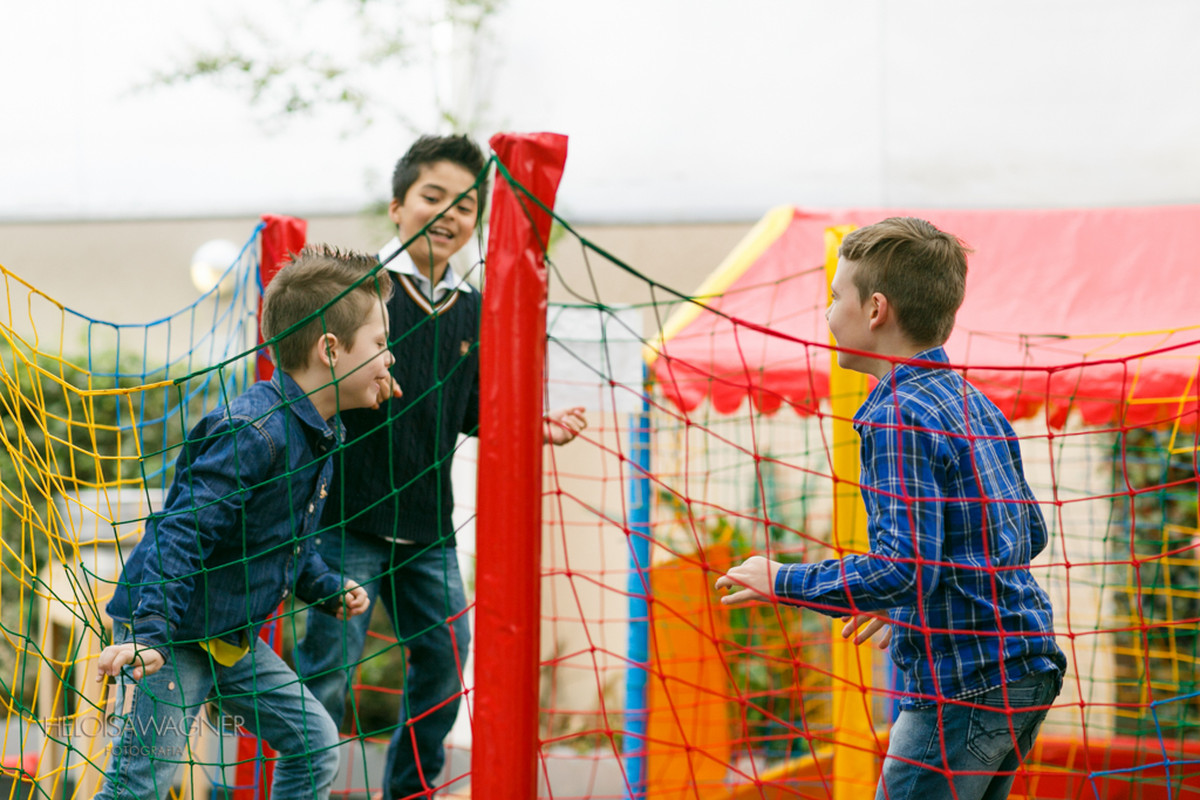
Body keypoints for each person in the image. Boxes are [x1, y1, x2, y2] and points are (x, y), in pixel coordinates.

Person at [716, 217, 1066, 800]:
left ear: (876, 309)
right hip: (1026, 666)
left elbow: (904, 569)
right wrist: (913, 599)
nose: (829, 315)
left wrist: (781, 580)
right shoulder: (971, 400)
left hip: (963, 685)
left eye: (835, 297)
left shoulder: (895, 415)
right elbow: (1026, 532)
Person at [293, 133, 586, 800]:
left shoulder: (475, 309)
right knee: (329, 672)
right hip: (346, 518)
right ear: (398, 206)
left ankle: (409, 790)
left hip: (428, 527)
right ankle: (304, 790)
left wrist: (530, 426)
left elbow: (474, 408)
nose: (450, 214)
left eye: (466, 205)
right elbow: (310, 380)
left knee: (447, 665)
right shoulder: (358, 289)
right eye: (434, 196)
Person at [94, 245, 400, 800]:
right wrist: (150, 634)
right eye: (380, 344)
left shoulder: (319, 434)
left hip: (230, 636)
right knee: (140, 784)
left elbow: (285, 539)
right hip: (173, 635)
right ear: (331, 349)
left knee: (314, 743)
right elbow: (180, 531)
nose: (391, 358)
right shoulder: (254, 431)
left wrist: (325, 586)